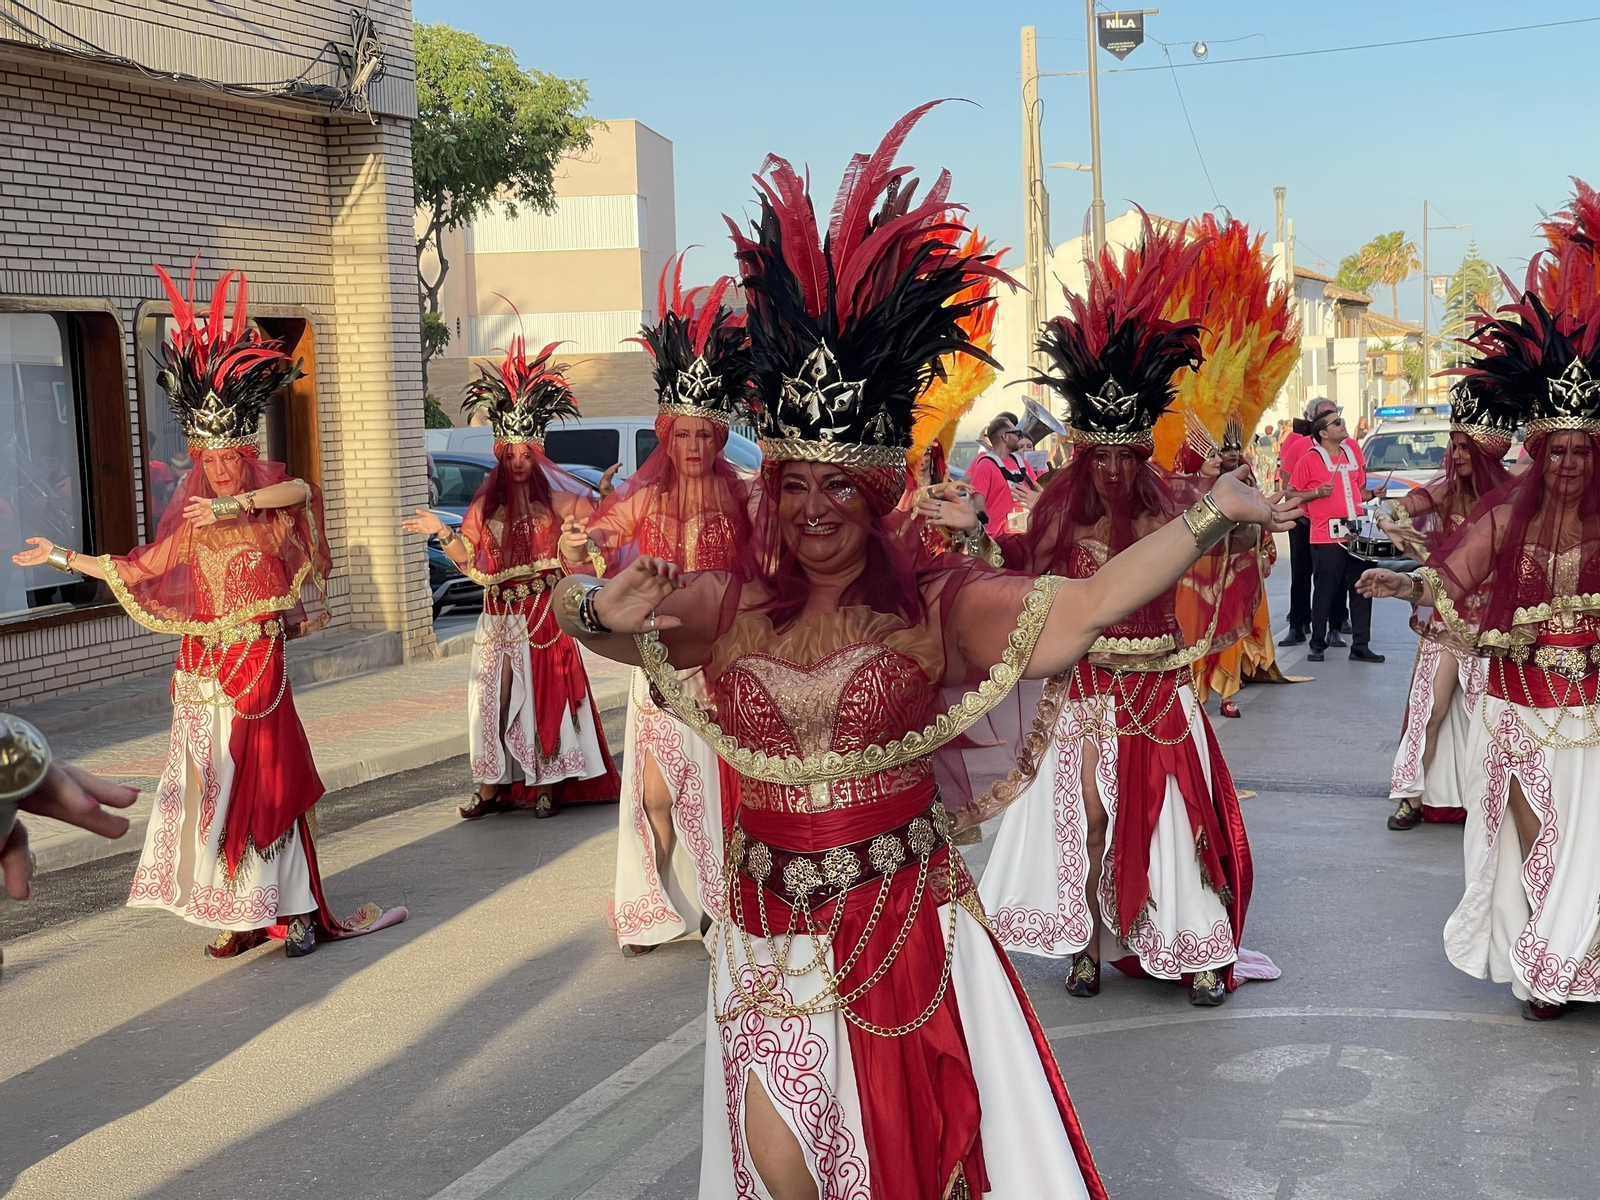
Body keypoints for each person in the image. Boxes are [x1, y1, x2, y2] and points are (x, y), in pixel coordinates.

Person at [554, 110, 1291, 1200]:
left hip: (903, 919)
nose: (813, 512)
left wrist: (1213, 517)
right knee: (779, 1155)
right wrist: (587, 606)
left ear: (877, 490)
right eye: (793, 485)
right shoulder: (723, 603)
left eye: (837, 488)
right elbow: (615, 635)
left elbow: (1084, 607)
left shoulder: (939, 606)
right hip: (763, 930)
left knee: (916, 1152)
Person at [12, 264, 406, 958]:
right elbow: (141, 565)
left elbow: (304, 494)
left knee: (272, 784)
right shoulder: (191, 526)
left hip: (260, 669)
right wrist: (60, 558)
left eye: (231, 458)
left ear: (245, 453)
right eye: (210, 461)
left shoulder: (263, 504)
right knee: (218, 791)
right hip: (205, 667)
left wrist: (237, 503)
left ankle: (301, 910)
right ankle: (243, 908)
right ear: (197, 456)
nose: (220, 470)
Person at [962, 214, 1273, 1010]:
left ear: (1138, 452)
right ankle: (1087, 944)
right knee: (1089, 819)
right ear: (1079, 451)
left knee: (1173, 823)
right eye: (1094, 453)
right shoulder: (1056, 514)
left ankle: (1195, 946)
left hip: (1158, 691)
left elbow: (1229, 558)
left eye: (1119, 455)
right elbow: (1020, 585)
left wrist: (1247, 523)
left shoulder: (1175, 500)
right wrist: (976, 540)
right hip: (1084, 690)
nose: (1106, 469)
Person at [1358, 263, 1600, 1019]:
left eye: (1580, 451)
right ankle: (1543, 965)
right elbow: (1451, 582)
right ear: (1537, 450)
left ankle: (1574, 965)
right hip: (1520, 713)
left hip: (1592, 713)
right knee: (1540, 849)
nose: (1566, 464)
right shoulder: (1503, 520)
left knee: (1591, 855)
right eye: (1554, 450)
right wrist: (1403, 584)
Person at [570, 255, 751, 955]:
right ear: (665, 434)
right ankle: (660, 902)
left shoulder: (748, 495)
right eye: (684, 433)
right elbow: (596, 545)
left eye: (707, 432)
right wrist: (583, 548)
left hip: (718, 668)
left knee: (720, 791)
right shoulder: (643, 496)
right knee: (653, 795)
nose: (697, 444)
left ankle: (722, 901)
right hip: (655, 668)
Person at [404, 333, 619, 821]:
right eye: (511, 454)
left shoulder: (559, 500)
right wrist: (442, 531)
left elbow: (595, 534)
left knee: (543, 694)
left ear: (537, 454)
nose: (519, 462)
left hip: (542, 613)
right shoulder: (485, 505)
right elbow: (472, 564)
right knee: (491, 700)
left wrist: (607, 503)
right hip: (498, 615)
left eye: (527, 454)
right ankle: (490, 787)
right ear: (501, 454)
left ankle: (548, 784)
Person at [1378, 379, 1514, 830]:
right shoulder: (1446, 491)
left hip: (1489, 629)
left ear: (1486, 451)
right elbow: (1404, 506)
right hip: (1445, 621)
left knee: (1486, 719)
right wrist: (1388, 519)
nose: (1456, 456)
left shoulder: (1515, 498)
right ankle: (1411, 797)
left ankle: (1494, 803)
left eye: (1464, 447)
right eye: (1453, 446)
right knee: (1428, 710)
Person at [1289, 406, 1384, 662]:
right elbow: (1291, 493)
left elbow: (1355, 492)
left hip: (1355, 531)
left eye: (1341, 420)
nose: (1343, 425)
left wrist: (1373, 495)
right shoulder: (1309, 459)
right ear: (1323, 432)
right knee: (1325, 590)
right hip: (1325, 535)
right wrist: (1316, 493)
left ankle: (1361, 645)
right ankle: (1317, 644)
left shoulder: (1351, 453)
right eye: (1337, 423)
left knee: (1363, 588)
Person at [1276, 397, 1338, 644]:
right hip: (1303, 518)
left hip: (1332, 520)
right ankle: (1298, 625)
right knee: (1300, 573)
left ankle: (1334, 625)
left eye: (1334, 414)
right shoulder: (1298, 445)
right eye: (1325, 414)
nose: (1331, 418)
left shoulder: (1345, 447)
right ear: (1313, 419)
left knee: (1332, 574)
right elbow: (1287, 479)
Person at [967, 412, 1039, 530]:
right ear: (1005, 437)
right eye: (1016, 433)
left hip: (1024, 535)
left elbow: (1038, 489)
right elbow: (977, 506)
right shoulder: (985, 465)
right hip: (997, 538)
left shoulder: (1020, 462)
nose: (1019, 437)